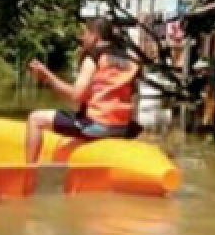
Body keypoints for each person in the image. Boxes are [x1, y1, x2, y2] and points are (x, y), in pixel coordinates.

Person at [25, 19, 141, 163]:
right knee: (78, 118)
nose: (82, 38)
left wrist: (47, 77)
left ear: (95, 36)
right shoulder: (132, 60)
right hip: (123, 128)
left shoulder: (93, 57)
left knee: (35, 118)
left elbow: (76, 96)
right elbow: (133, 98)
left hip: (98, 126)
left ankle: (29, 171)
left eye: (85, 33)